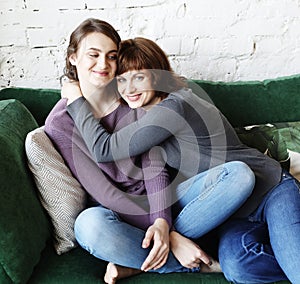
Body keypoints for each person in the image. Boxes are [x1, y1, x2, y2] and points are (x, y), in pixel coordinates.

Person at [63, 37, 300, 284]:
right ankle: (172, 255)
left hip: (271, 190)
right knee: (239, 269)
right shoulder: (142, 116)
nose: (129, 89)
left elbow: (105, 149)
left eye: (139, 78)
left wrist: (75, 99)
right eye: (121, 80)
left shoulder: (176, 105)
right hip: (234, 216)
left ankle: (152, 257)